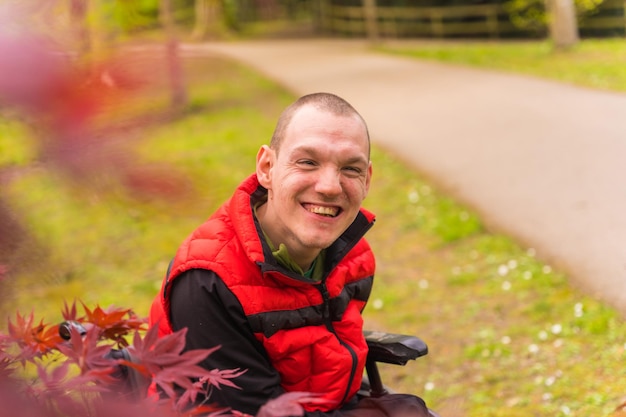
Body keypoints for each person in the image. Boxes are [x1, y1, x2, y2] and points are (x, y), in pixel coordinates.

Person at [149, 93, 431, 416]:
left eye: (350, 169)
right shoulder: (208, 282)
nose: (329, 187)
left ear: (366, 180)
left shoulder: (354, 257)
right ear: (267, 167)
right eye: (308, 162)